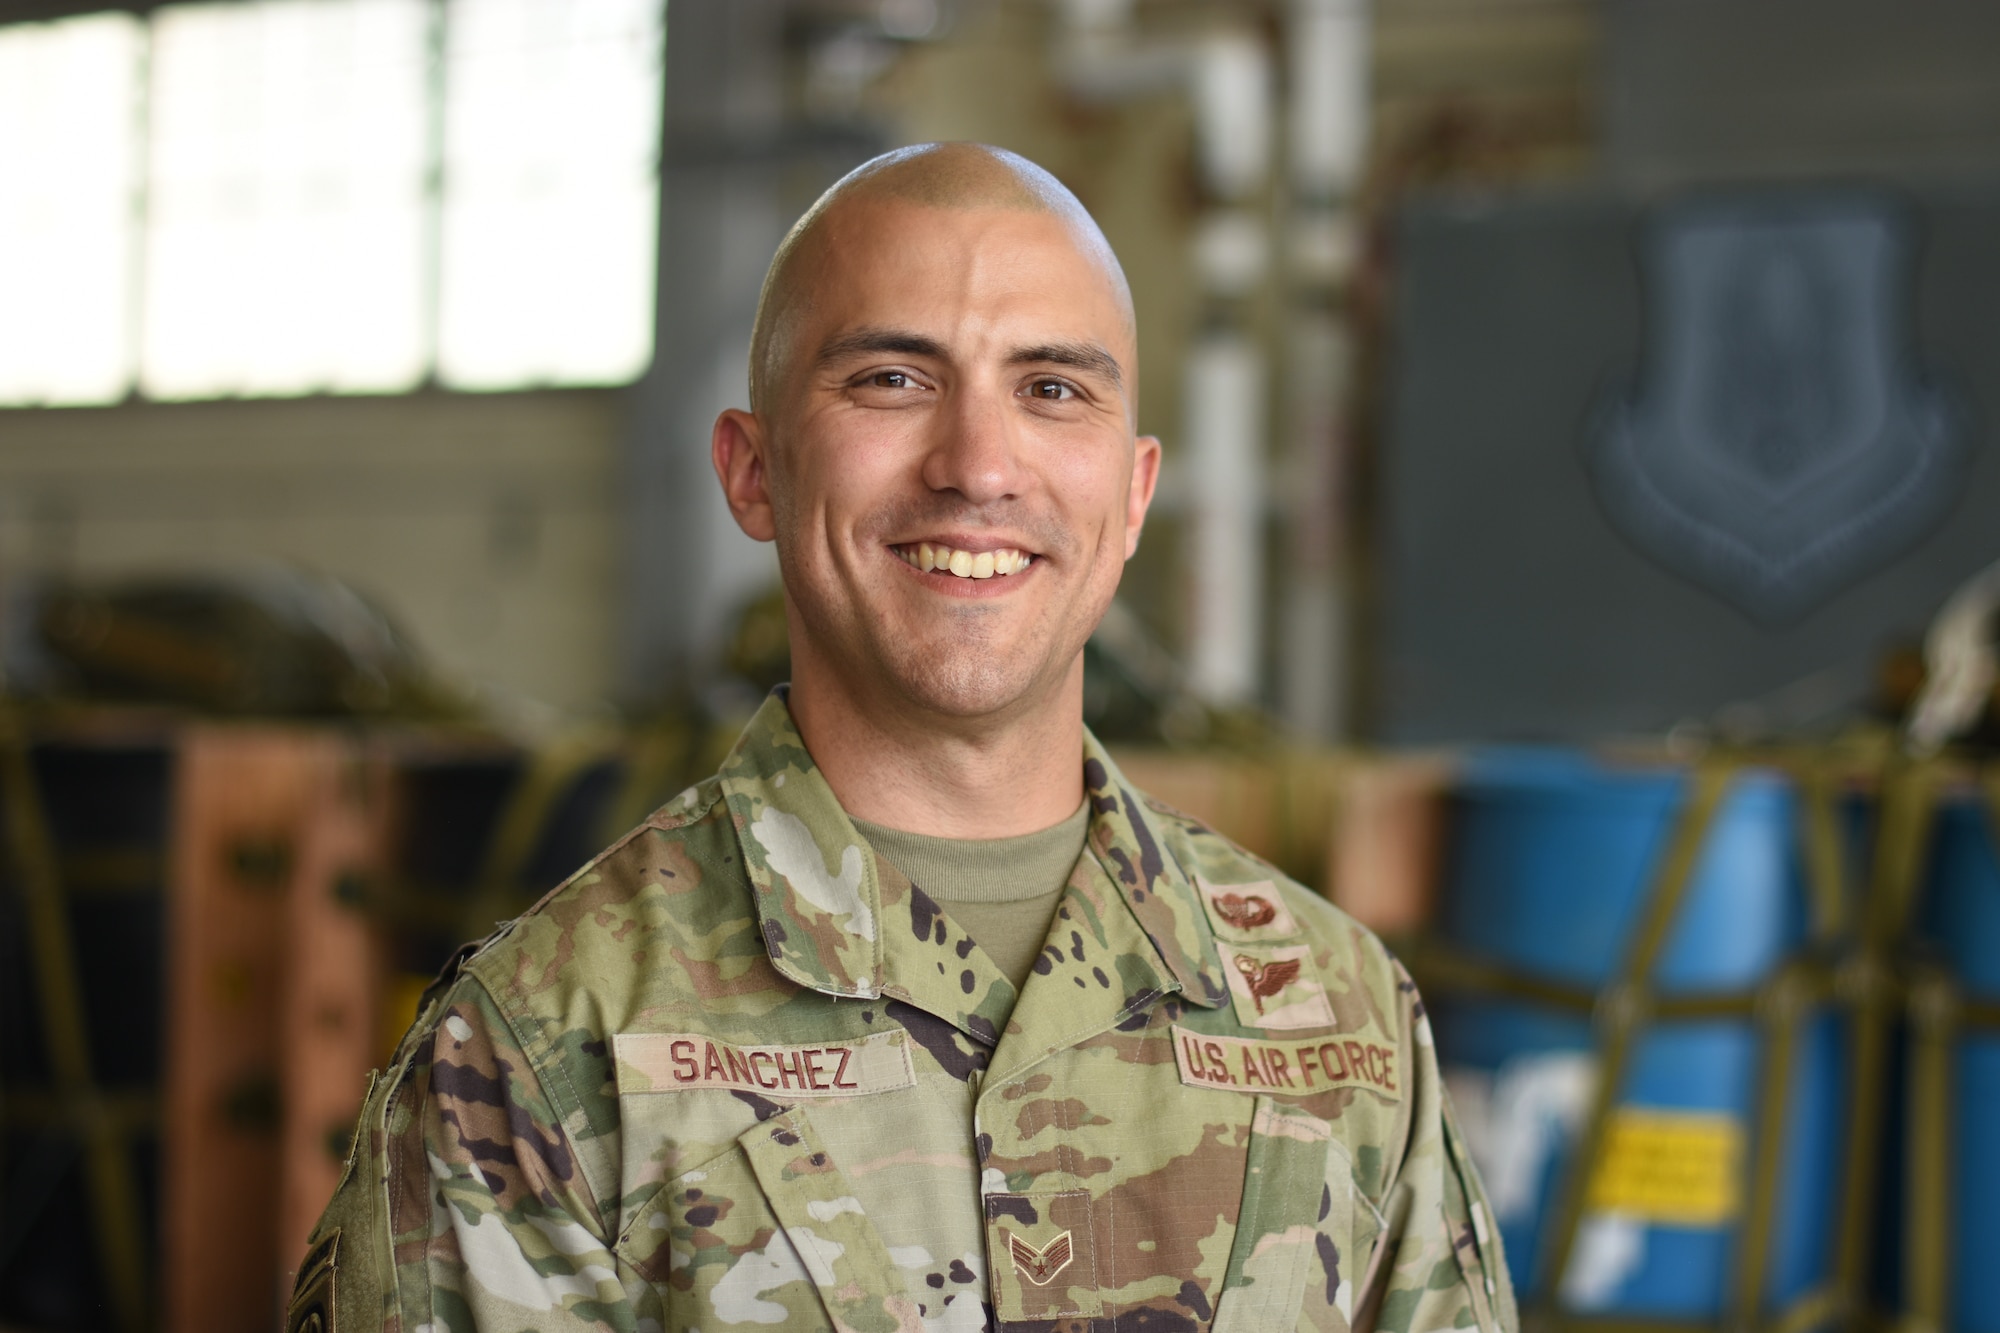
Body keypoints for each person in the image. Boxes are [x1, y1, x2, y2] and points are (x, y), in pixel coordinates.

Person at [288, 142, 1515, 1333]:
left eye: (1051, 388)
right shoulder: (546, 1051)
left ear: (1133, 493)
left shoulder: (1335, 1018)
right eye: (892, 379)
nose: (977, 465)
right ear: (754, 470)